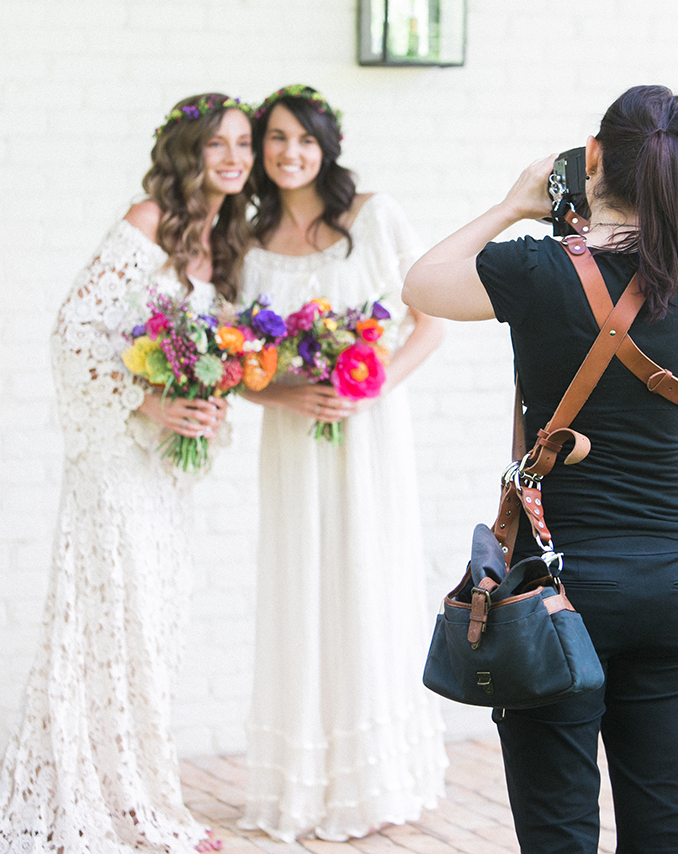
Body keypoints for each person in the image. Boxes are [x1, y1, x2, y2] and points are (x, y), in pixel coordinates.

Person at [402, 85, 678, 854]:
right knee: (665, 825)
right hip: (674, 587)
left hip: (554, 596)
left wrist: (514, 204)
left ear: (591, 157)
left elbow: (422, 282)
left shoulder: (533, 268)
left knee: (557, 831)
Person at [0, 93, 256, 854]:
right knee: (110, 619)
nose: (234, 158)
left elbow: (211, 349)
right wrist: (147, 400)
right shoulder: (148, 220)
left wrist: (205, 402)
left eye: (244, 144)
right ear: (188, 151)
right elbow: (73, 330)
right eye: (218, 143)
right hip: (114, 458)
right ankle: (91, 799)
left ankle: (134, 794)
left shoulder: (223, 240)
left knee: (155, 625)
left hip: (164, 470)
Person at [237, 85, 448, 842]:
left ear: (327, 146)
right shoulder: (247, 240)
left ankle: (375, 781)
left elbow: (431, 322)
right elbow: (236, 364)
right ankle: (305, 781)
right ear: (260, 149)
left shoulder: (374, 216)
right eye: (276, 138)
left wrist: (369, 388)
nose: (290, 152)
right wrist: (285, 394)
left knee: (367, 581)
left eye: (304, 138)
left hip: (369, 433)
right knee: (300, 589)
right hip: (293, 440)